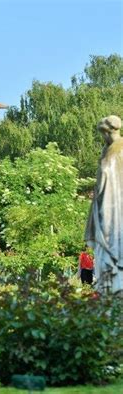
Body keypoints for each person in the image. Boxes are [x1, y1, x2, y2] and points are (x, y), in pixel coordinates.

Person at [85, 115, 123, 295]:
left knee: (111, 239)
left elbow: (106, 179)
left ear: (109, 132)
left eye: (104, 134)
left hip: (113, 206)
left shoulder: (117, 150)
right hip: (106, 204)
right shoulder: (108, 150)